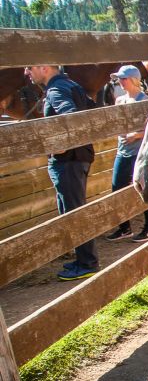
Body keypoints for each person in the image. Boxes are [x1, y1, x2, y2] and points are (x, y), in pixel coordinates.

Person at [26, 64, 101, 281]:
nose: (27, 72)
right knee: (71, 209)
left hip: (68, 161)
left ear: (44, 67)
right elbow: (90, 108)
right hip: (78, 159)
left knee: (75, 212)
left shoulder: (56, 90)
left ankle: (87, 263)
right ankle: (81, 258)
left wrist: (62, 145)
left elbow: (73, 116)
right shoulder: (71, 84)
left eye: (30, 68)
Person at [105, 65, 148, 242]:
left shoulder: (146, 101)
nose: (120, 82)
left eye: (124, 78)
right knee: (117, 189)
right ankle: (124, 228)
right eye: (119, 79)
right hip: (122, 150)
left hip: (139, 152)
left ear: (134, 79)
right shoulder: (119, 101)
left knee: (144, 187)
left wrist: (137, 135)